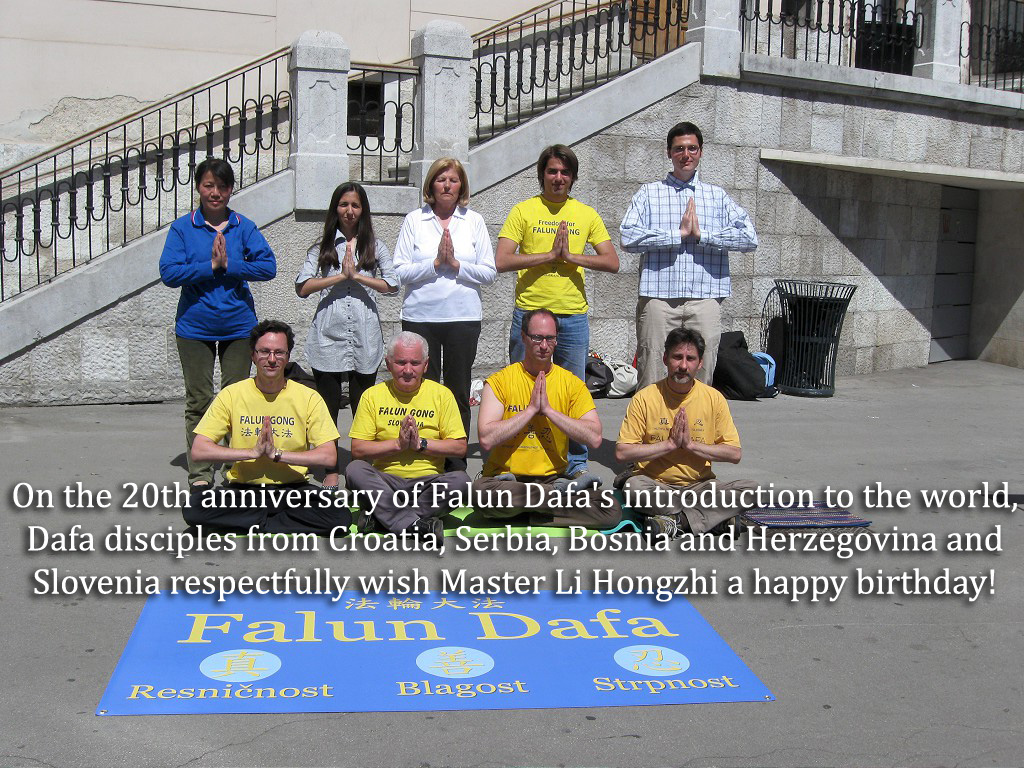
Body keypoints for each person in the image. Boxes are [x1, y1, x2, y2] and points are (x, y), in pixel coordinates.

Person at [495, 144, 619, 489]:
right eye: (552, 171)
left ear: (573, 177)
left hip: (572, 318)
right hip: (531, 314)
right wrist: (549, 255)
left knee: (573, 393)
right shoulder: (523, 210)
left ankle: (575, 463)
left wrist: (571, 258)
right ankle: (515, 457)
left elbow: (611, 261)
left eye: (565, 172)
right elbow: (502, 260)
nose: (558, 178)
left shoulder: (586, 214)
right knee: (520, 389)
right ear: (542, 175)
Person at [159, 157, 277, 488]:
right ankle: (199, 473)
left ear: (230, 190)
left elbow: (268, 267)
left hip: (238, 328)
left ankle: (233, 469)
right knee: (198, 400)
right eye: (209, 185)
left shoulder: (243, 226)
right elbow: (169, 272)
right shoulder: (183, 228)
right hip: (194, 328)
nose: (215, 193)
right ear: (198, 187)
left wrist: (230, 265)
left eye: (222, 187)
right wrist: (209, 267)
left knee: (235, 400)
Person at [620, 121, 758, 389]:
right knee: (652, 372)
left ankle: (696, 419)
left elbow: (749, 238)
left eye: (692, 148)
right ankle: (652, 419)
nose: (686, 154)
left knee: (702, 376)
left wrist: (703, 235)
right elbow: (627, 237)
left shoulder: (717, 197)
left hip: (705, 298)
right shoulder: (649, 193)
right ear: (669, 153)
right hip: (658, 297)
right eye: (679, 149)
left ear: (701, 152)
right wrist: (677, 235)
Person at [185, 320, 349, 535]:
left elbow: (328, 456)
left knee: (340, 517)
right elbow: (199, 450)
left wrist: (277, 454)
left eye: (279, 353)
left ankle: (254, 522)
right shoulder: (232, 394)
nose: (272, 359)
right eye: (264, 352)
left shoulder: (309, 397)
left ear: (288, 357)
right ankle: (275, 521)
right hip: (244, 491)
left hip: (292, 490)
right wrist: (252, 453)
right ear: (253, 356)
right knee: (194, 508)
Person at [475, 309, 621, 530]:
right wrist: (531, 411)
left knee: (609, 510)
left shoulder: (571, 383)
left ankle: (523, 511)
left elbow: (594, 437)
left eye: (549, 338)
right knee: (479, 494)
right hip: (506, 480)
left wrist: (550, 412)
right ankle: (550, 503)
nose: (544, 345)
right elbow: (486, 439)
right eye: (537, 338)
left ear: (556, 339)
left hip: (552, 479)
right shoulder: (500, 381)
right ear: (523, 337)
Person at [392, 158, 496, 463]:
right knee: (422, 389)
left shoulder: (473, 221)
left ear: (461, 185)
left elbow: (489, 272)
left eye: (453, 180)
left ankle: (455, 457)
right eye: (441, 179)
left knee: (457, 390)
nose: (447, 185)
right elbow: (399, 272)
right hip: (420, 317)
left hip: (462, 318)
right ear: (431, 185)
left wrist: (457, 265)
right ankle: (424, 453)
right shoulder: (415, 220)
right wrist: (435, 264)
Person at [296, 182, 398, 489]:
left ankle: (360, 466)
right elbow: (302, 287)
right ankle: (330, 466)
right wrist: (341, 276)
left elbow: (393, 285)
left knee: (362, 406)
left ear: (363, 209)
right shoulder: (322, 247)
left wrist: (359, 277)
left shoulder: (375, 246)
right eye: (344, 204)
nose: (349, 211)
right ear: (335, 208)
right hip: (329, 335)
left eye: (355, 205)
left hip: (364, 336)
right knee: (327, 407)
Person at [614, 327, 757, 537]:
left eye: (690, 359)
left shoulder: (713, 398)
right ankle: (712, 521)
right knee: (633, 488)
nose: (683, 366)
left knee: (751, 491)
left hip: (700, 487)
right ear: (665, 359)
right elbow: (622, 452)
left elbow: (734, 454)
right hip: (656, 486)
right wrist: (669, 445)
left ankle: (676, 522)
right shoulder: (645, 398)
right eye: (677, 357)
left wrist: (691, 446)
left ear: (699, 363)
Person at [345, 331, 470, 544]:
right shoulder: (372, 396)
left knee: (461, 481)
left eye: (415, 363)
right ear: (389, 364)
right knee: (354, 470)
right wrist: (397, 445)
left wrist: (420, 444)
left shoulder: (442, 395)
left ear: (426, 365)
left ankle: (384, 518)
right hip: (385, 482)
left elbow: (459, 448)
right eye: (401, 362)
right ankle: (416, 524)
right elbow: (358, 449)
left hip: (428, 485)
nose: (408, 370)